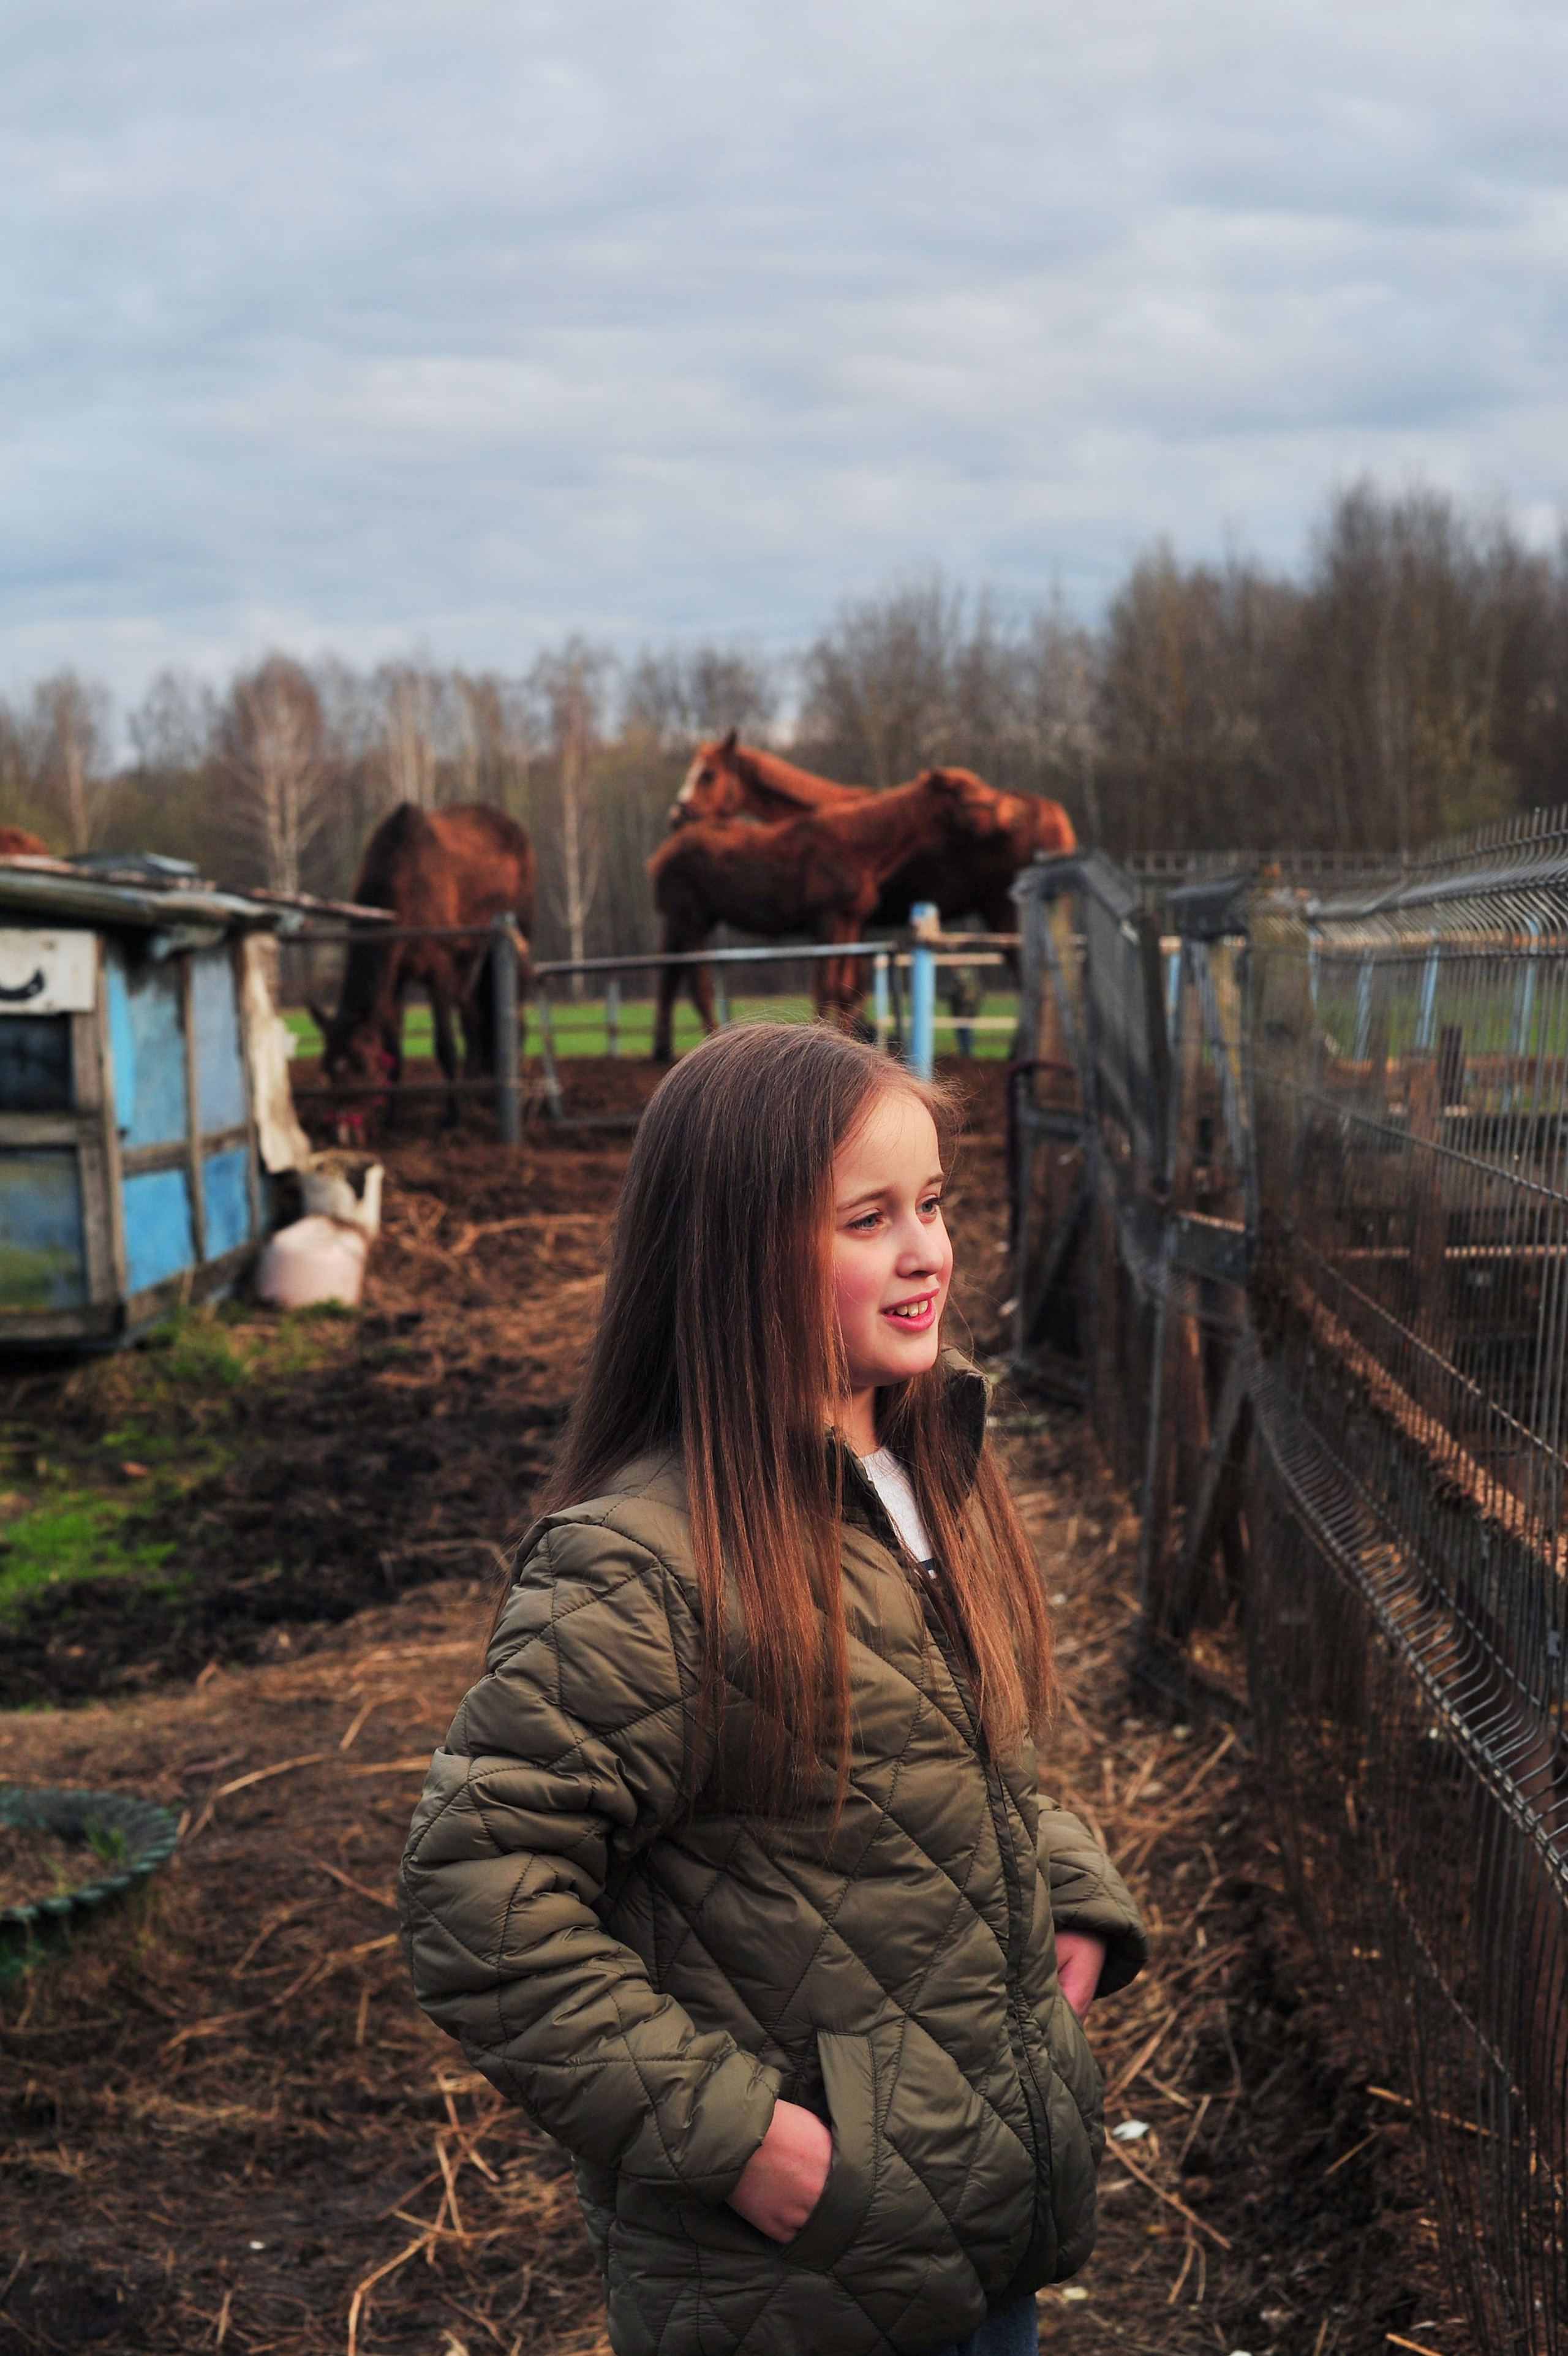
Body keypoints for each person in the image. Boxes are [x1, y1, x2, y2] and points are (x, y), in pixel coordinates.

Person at [399, 1024, 1146, 2356]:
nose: (927, 1253)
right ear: (737, 1253)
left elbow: (935, 1763)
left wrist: (1069, 1884)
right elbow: (475, 1897)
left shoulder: (930, 1465)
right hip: (798, 2281)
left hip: (977, 2223)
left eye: (932, 1204)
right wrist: (739, 2138)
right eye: (869, 1219)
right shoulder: (643, 1562)